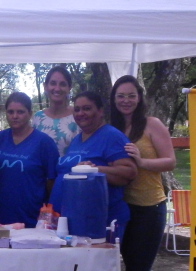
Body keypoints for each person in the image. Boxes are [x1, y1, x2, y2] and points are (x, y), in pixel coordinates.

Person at [109, 76, 178, 271]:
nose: (126, 100)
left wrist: (141, 161)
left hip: (150, 207)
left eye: (130, 95)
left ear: (139, 97)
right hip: (124, 208)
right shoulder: (112, 128)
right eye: (120, 96)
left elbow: (170, 161)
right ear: (114, 100)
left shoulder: (152, 124)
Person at [48, 91, 137, 241]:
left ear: (100, 111)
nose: (81, 113)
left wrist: (95, 169)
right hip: (73, 223)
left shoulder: (111, 136)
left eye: (87, 108)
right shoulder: (77, 139)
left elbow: (129, 172)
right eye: (77, 109)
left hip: (98, 224)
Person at [0, 92, 58, 227]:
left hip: (31, 218)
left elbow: (52, 182)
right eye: (10, 112)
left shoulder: (44, 143)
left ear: (30, 113)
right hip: (0, 218)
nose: (15, 116)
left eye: (20, 112)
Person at [32, 66, 80, 156]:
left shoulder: (78, 116)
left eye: (62, 84)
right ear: (45, 86)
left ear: (69, 87)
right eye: (53, 83)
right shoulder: (38, 117)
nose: (57, 89)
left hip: (71, 169)